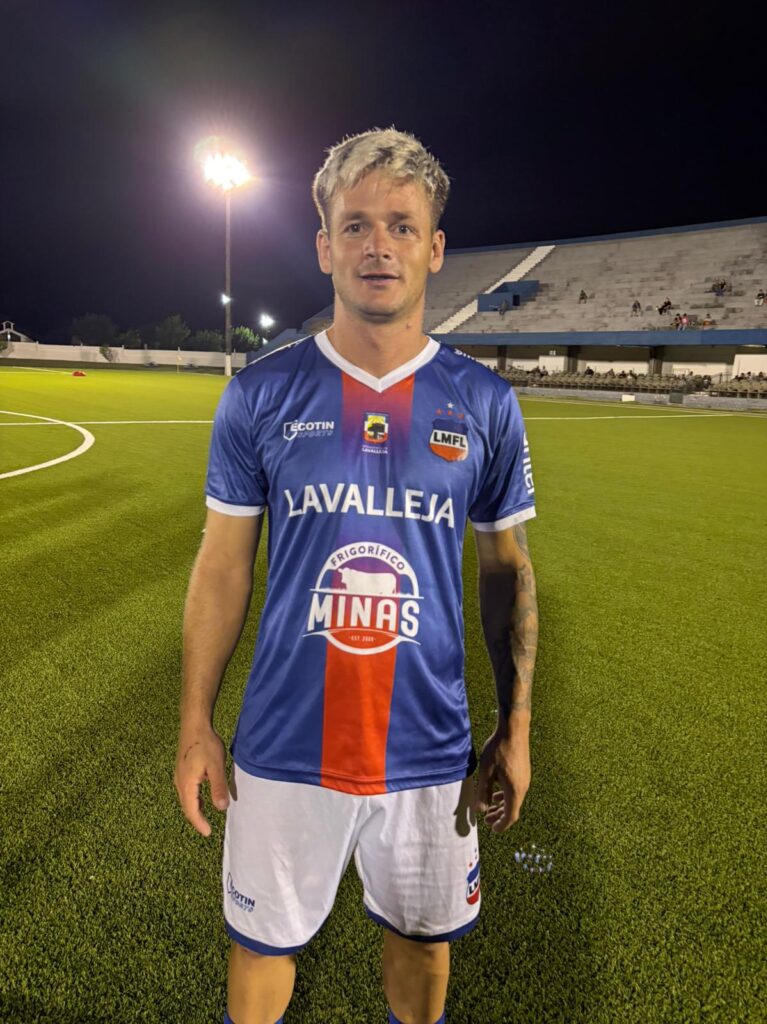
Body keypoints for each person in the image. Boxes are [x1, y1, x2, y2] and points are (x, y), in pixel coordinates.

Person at [174, 128, 539, 1024]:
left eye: (403, 226)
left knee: (422, 948)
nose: (380, 245)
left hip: (429, 747)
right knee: (262, 954)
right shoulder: (260, 394)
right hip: (286, 743)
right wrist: (193, 723)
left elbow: (507, 572)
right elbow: (223, 566)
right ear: (325, 245)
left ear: (436, 249)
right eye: (358, 224)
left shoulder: (484, 402)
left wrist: (516, 723)